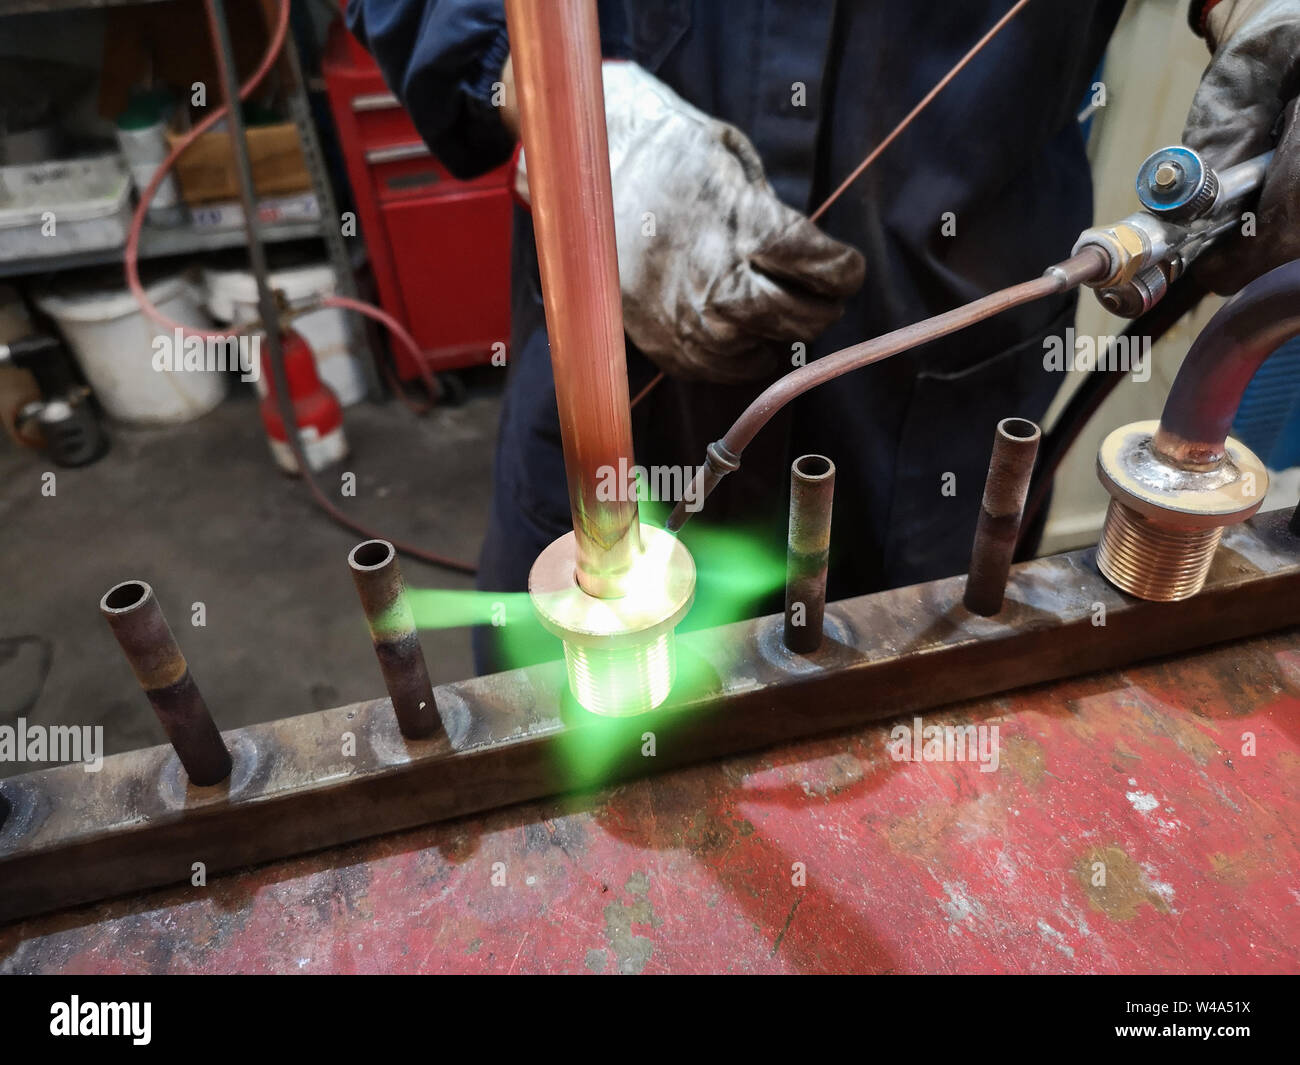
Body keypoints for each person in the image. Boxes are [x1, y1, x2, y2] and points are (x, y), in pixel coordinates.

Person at [346, 0, 1300, 670]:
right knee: (556, 798)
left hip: (939, 414)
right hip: (617, 393)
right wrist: (545, 93)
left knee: (914, 777)